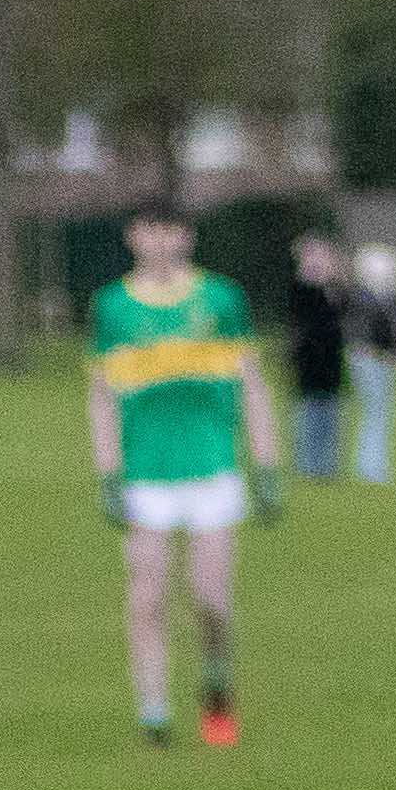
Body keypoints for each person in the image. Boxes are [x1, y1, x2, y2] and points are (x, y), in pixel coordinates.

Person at [85, 207, 283, 751]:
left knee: (210, 597)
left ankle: (216, 688)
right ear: (133, 237)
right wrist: (108, 473)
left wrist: (266, 463)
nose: (159, 241)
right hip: (146, 475)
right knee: (147, 595)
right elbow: (101, 396)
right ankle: (154, 712)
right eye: (149, 230)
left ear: (186, 237)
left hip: (213, 469)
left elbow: (252, 386)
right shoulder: (113, 306)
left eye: (169, 230)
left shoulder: (221, 299)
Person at [285, 233, 348, 482]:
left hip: (331, 360)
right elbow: (301, 311)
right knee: (309, 413)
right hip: (308, 360)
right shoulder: (300, 287)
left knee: (331, 414)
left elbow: (343, 308)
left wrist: (330, 280)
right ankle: (308, 465)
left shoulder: (334, 288)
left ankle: (327, 465)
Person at [347, 242, 396, 484]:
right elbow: (367, 331)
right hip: (367, 359)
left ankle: (373, 467)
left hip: (378, 359)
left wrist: (393, 352)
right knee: (375, 412)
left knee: (380, 413)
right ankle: (371, 469)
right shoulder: (362, 298)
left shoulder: (382, 299)